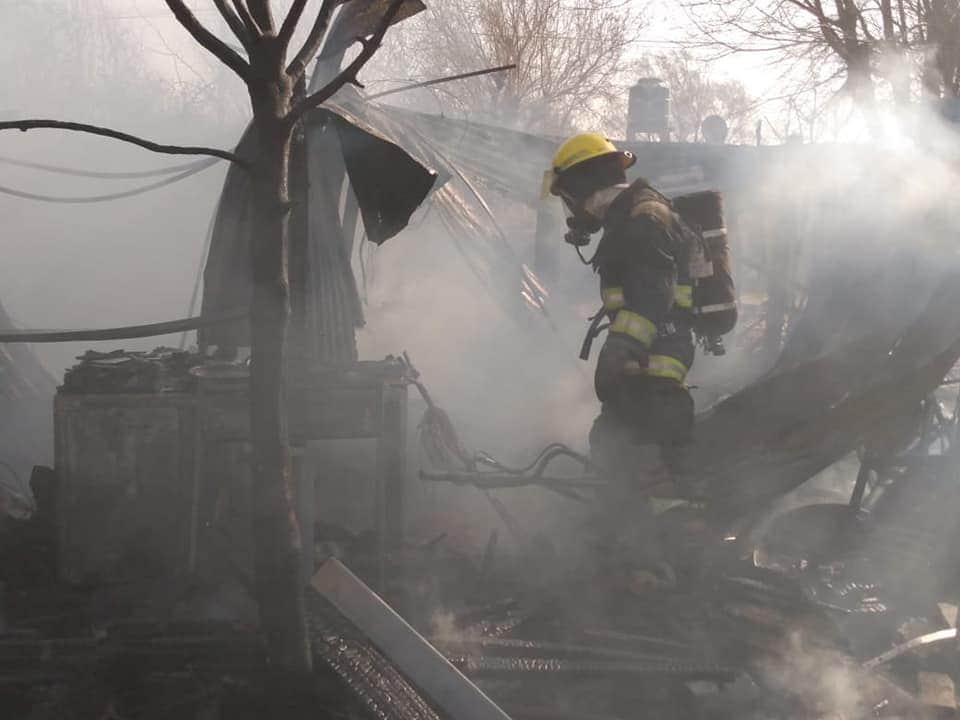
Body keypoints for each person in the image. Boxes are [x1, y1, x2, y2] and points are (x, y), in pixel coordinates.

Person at [549, 133, 696, 592]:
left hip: (655, 363)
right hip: (651, 360)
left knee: (641, 457)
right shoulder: (633, 216)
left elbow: (652, 292)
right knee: (617, 448)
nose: (572, 210)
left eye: (569, 197)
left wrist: (621, 348)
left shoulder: (642, 219)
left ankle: (669, 568)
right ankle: (633, 560)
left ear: (582, 184)